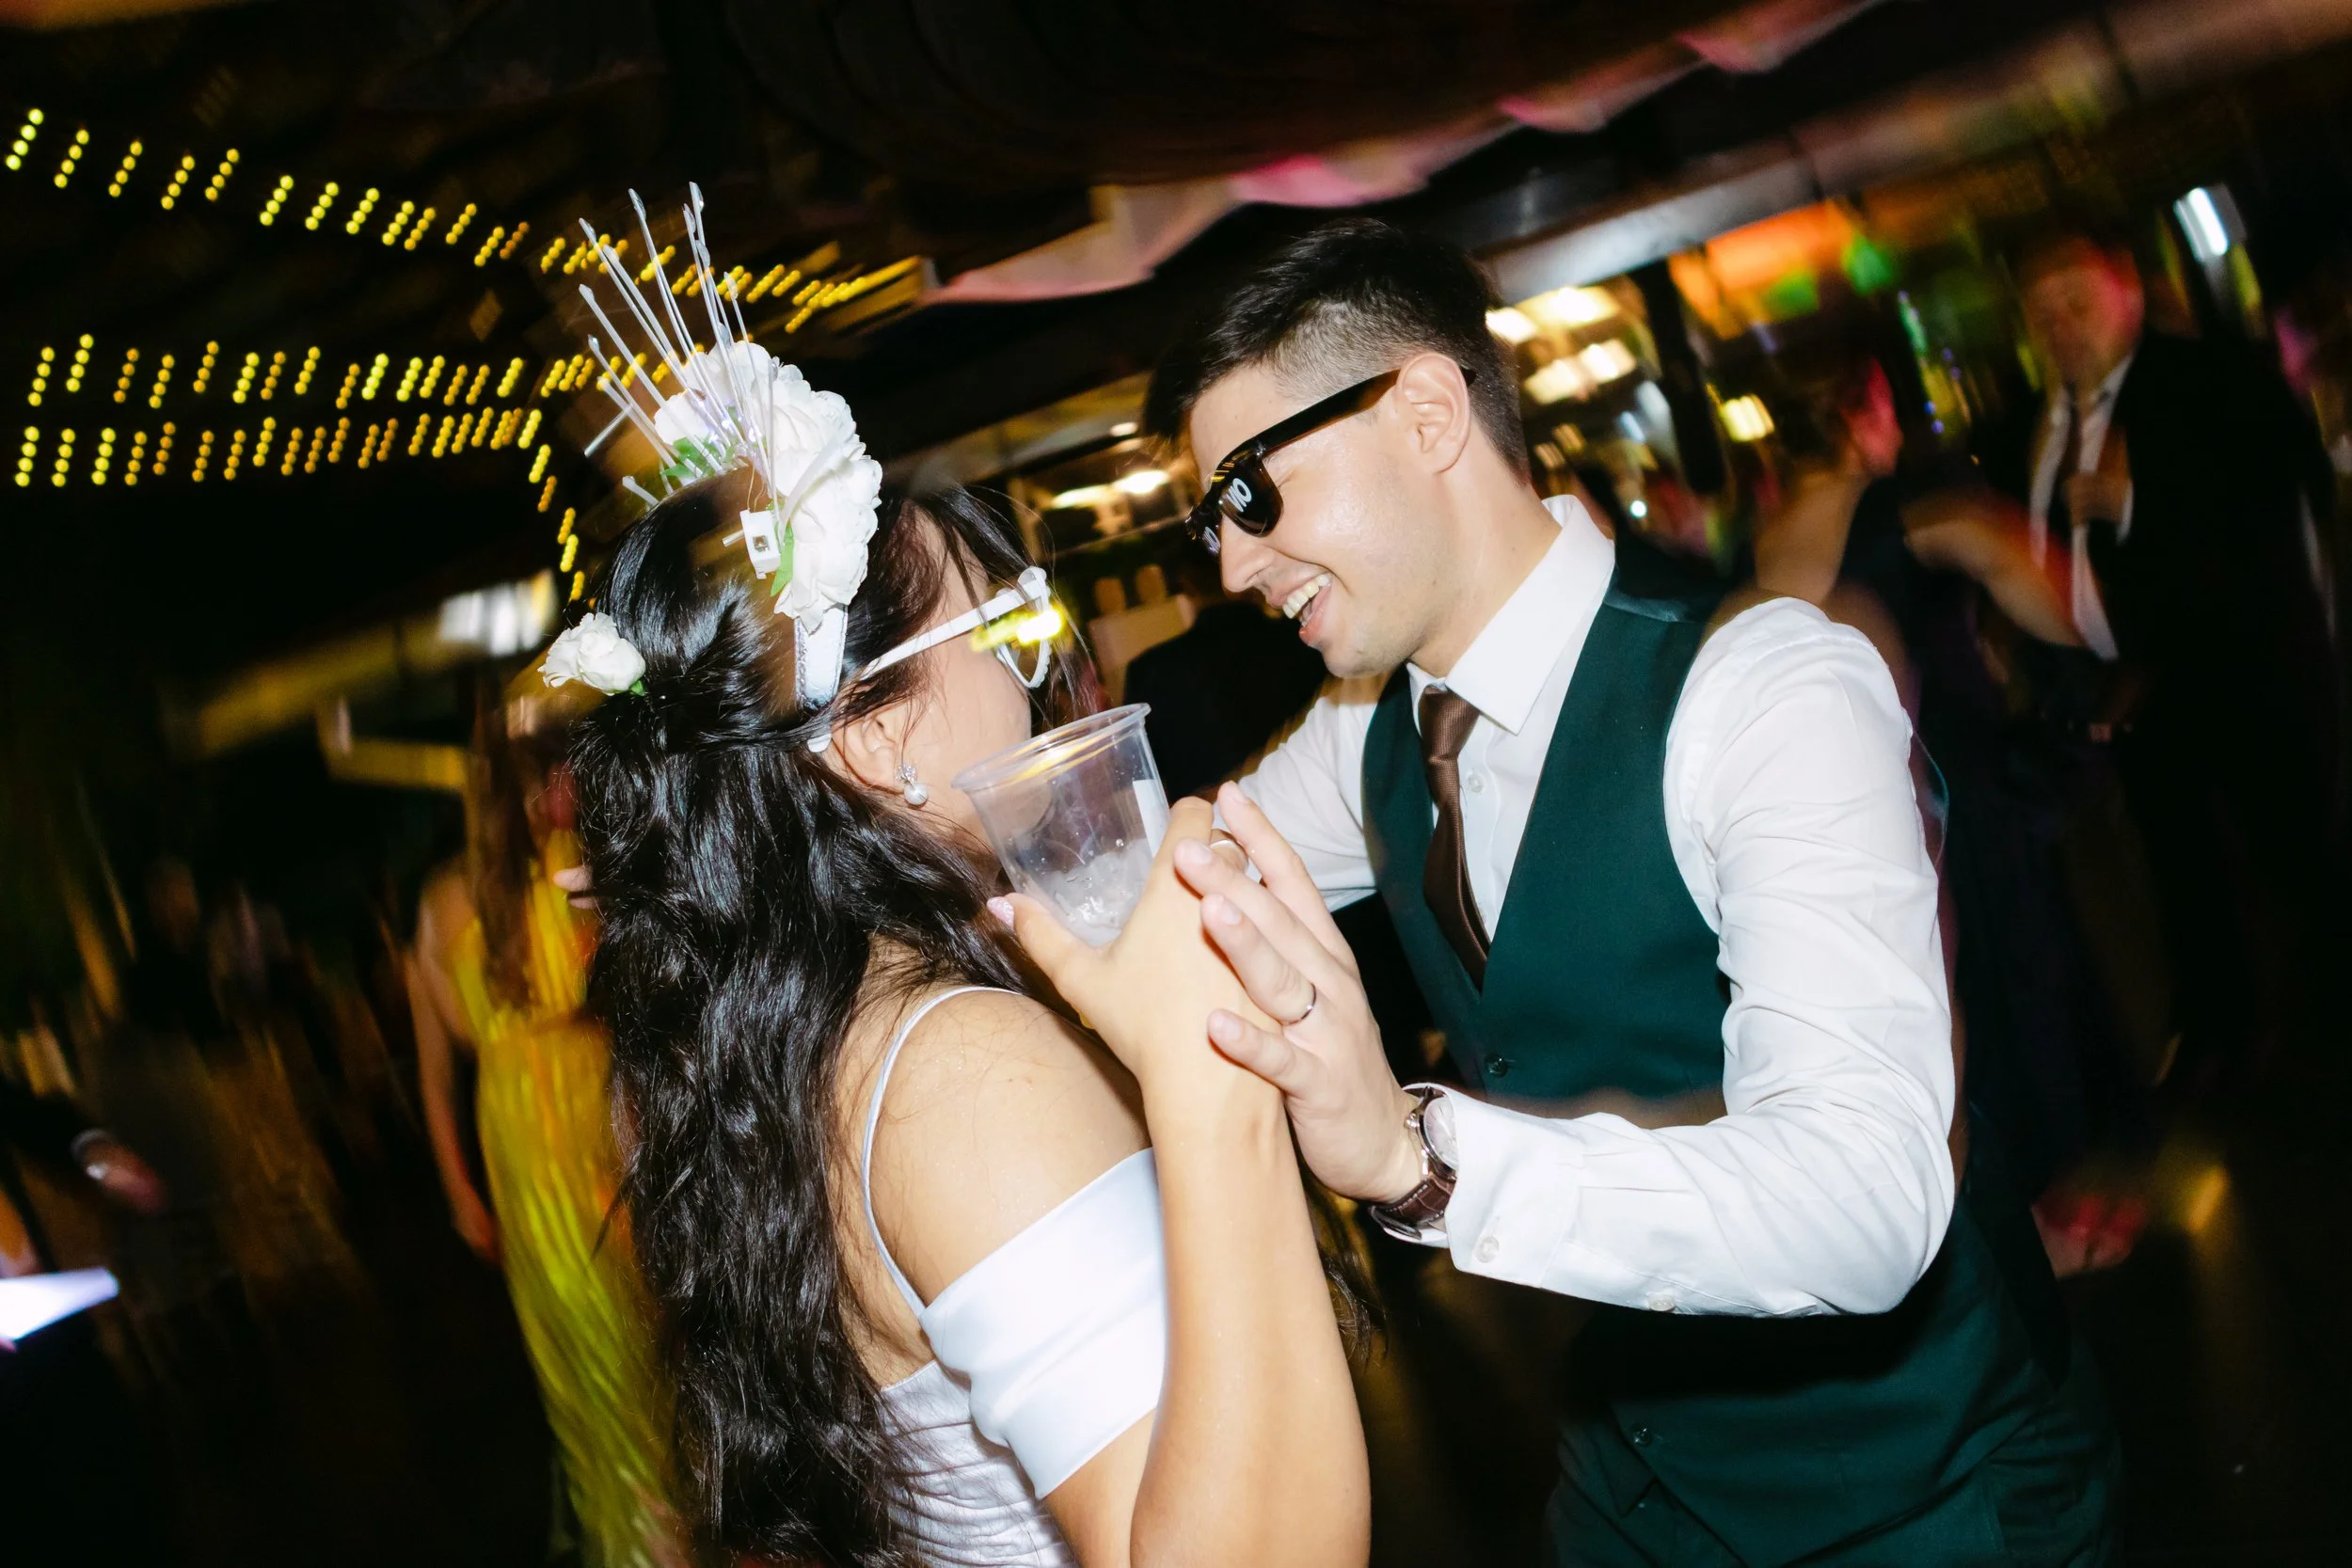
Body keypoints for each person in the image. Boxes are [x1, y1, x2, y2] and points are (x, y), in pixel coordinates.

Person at [1093, 217, 2116, 1565]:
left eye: (1253, 491)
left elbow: (1869, 1195)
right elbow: (1172, 880)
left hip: (1921, 1497)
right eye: (1210, 516)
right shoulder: (1369, 729)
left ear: (1425, 412)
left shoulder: (1760, 692)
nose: (1228, 564)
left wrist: (1420, 1160)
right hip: (1628, 1493)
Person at [544, 207, 1366, 1568]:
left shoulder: (787, 1032)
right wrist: (1207, 1076)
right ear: (874, 739)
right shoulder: (959, 1063)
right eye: (1004, 627)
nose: (1043, 669)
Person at [1936, 225, 2341, 1090]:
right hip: (2122, 698)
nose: (2060, 327)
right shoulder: (2021, 430)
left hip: (2243, 675)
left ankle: (2322, 1026)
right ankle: (2220, 1038)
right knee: (2183, 873)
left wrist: (2138, 501)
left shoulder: (2211, 381)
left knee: (2298, 854)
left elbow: (2278, 503)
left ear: (2126, 291)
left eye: (2076, 302)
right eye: (2041, 314)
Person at [407, 675, 687, 1568]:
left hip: (557, 1137)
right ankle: (657, 1535)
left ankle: (663, 1529)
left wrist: (459, 1185)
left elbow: (438, 1051)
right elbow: (435, 1051)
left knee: (634, 1353)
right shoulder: (526, 883)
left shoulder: (494, 887)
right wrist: (456, 1185)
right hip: (569, 1134)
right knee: (616, 1359)